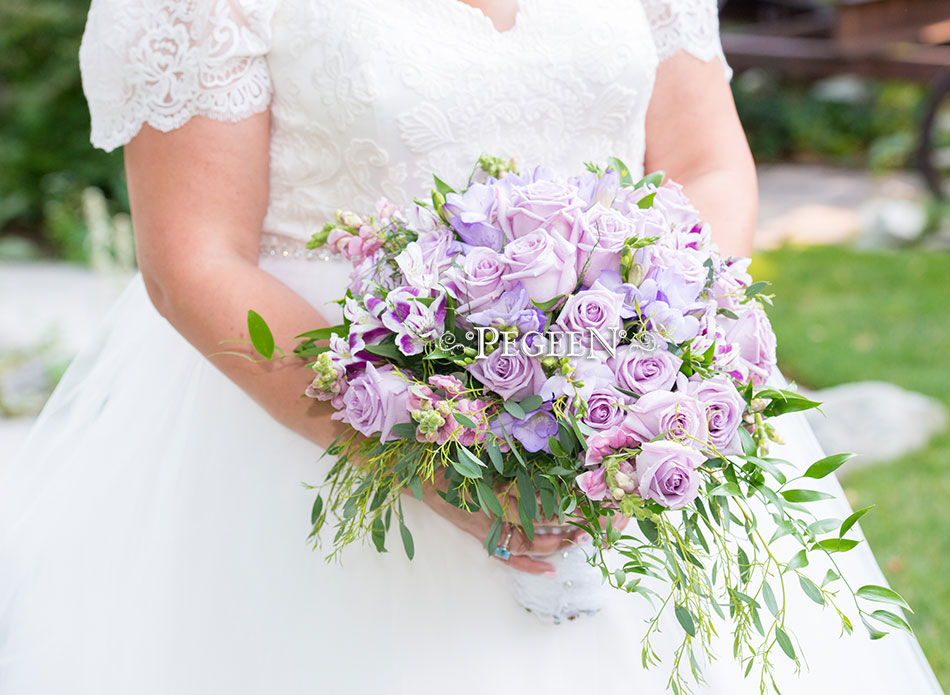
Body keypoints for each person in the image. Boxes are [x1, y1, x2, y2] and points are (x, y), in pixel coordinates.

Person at [0, 0, 942, 692]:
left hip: (633, 413)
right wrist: (428, 457)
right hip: (317, 429)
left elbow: (704, 159)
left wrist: (670, 341)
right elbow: (195, 260)